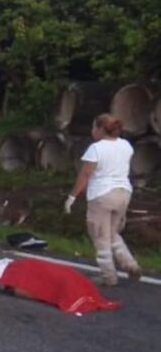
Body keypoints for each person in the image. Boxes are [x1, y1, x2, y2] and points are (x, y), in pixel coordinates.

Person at [64, 113, 142, 286]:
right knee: (112, 232)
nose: (92, 131)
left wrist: (72, 196)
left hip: (102, 195)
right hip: (123, 193)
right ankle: (130, 264)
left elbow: (85, 174)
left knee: (100, 236)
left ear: (100, 129)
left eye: (94, 127)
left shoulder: (96, 148)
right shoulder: (126, 145)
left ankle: (109, 276)